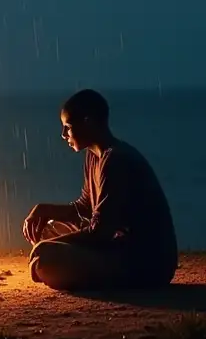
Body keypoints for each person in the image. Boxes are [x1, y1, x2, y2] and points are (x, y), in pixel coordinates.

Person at [23, 89, 178, 291]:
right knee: (44, 228)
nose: (63, 135)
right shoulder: (93, 156)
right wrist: (44, 209)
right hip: (114, 246)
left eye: (68, 127)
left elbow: (101, 232)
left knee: (45, 257)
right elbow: (86, 207)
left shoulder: (116, 159)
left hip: (144, 263)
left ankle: (68, 269)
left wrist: (46, 247)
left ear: (88, 122)